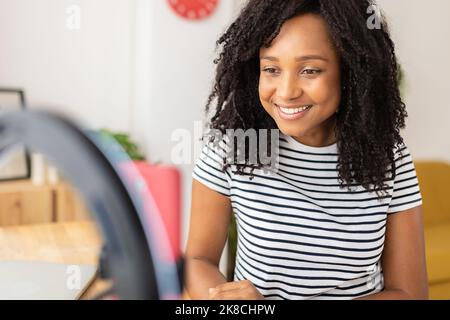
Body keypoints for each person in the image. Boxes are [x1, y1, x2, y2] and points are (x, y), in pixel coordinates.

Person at [184, 0, 428, 300]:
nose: (286, 92)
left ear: (350, 72)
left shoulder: (388, 156)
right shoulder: (233, 148)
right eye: (271, 69)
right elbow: (197, 260)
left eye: (310, 70)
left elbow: (409, 292)